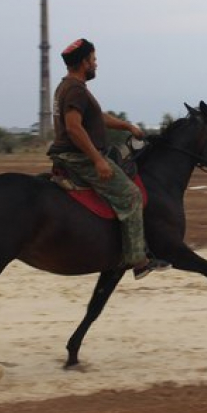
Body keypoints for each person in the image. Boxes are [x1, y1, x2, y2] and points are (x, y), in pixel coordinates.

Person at [47, 38, 170, 280]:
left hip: (72, 154)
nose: (96, 64)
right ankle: (138, 259)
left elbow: (98, 117)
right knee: (131, 194)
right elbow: (74, 127)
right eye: (93, 59)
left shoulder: (69, 87)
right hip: (78, 158)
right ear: (84, 62)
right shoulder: (75, 90)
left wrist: (127, 126)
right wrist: (97, 160)